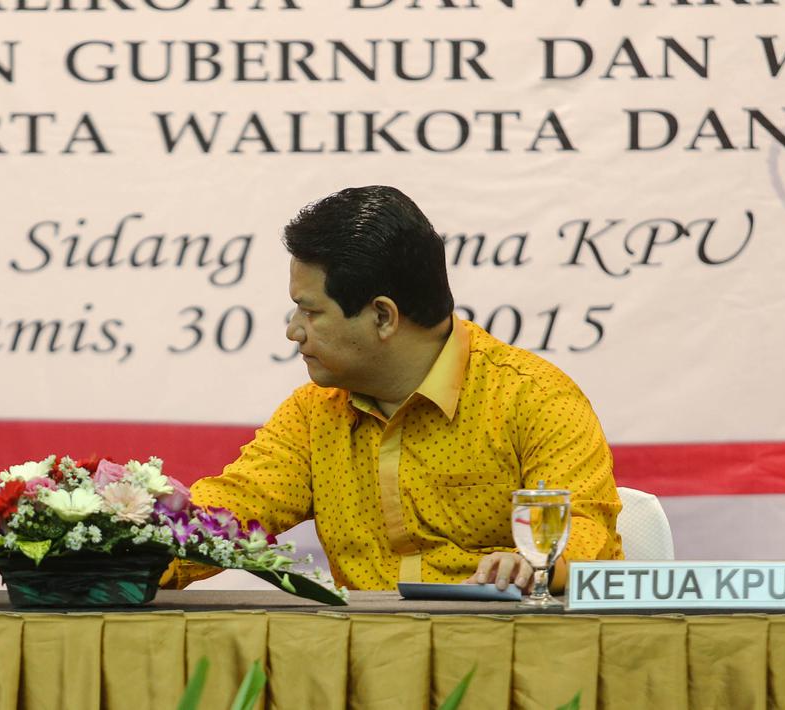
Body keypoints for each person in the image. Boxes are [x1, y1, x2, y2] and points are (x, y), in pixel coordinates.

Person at [163, 186, 622, 592]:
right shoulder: (314, 414)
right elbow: (223, 515)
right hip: (369, 665)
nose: (294, 332)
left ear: (383, 316)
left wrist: (532, 566)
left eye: (310, 312)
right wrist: (112, 544)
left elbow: (586, 533)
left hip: (507, 654)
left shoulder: (533, 398)